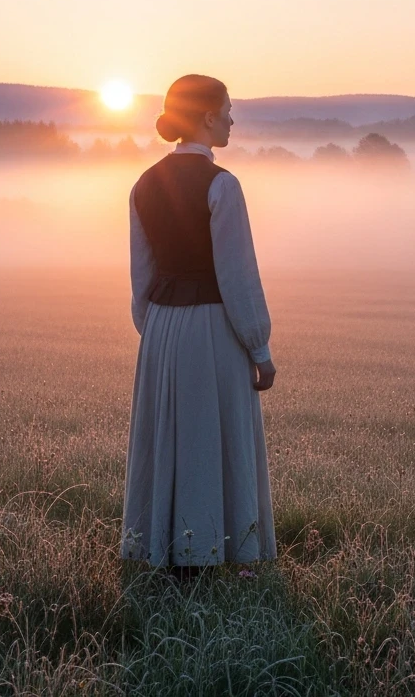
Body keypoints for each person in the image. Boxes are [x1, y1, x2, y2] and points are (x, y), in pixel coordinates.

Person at [119, 74, 277, 580]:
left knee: (169, 438)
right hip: (213, 327)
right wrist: (259, 347)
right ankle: (213, 553)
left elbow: (140, 274)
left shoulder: (143, 184)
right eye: (228, 109)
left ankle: (165, 552)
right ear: (207, 116)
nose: (232, 118)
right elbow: (238, 275)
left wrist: (158, 330)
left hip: (162, 328)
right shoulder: (222, 184)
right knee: (213, 439)